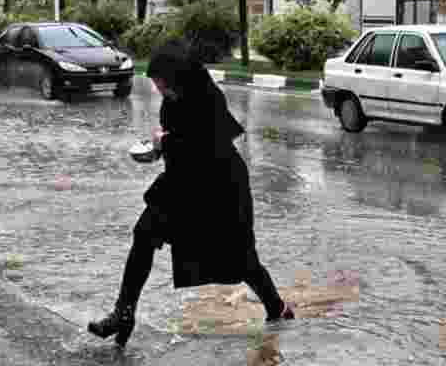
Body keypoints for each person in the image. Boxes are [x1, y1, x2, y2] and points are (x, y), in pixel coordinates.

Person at [88, 40, 295, 347]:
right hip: (183, 186)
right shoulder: (173, 99)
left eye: (162, 83)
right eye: (156, 84)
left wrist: (163, 144)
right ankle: (124, 313)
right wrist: (160, 148)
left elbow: (205, 147)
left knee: (241, 259)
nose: (159, 90)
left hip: (221, 190)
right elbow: (181, 144)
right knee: (144, 234)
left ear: (178, 76)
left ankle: (277, 308)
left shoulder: (209, 98)